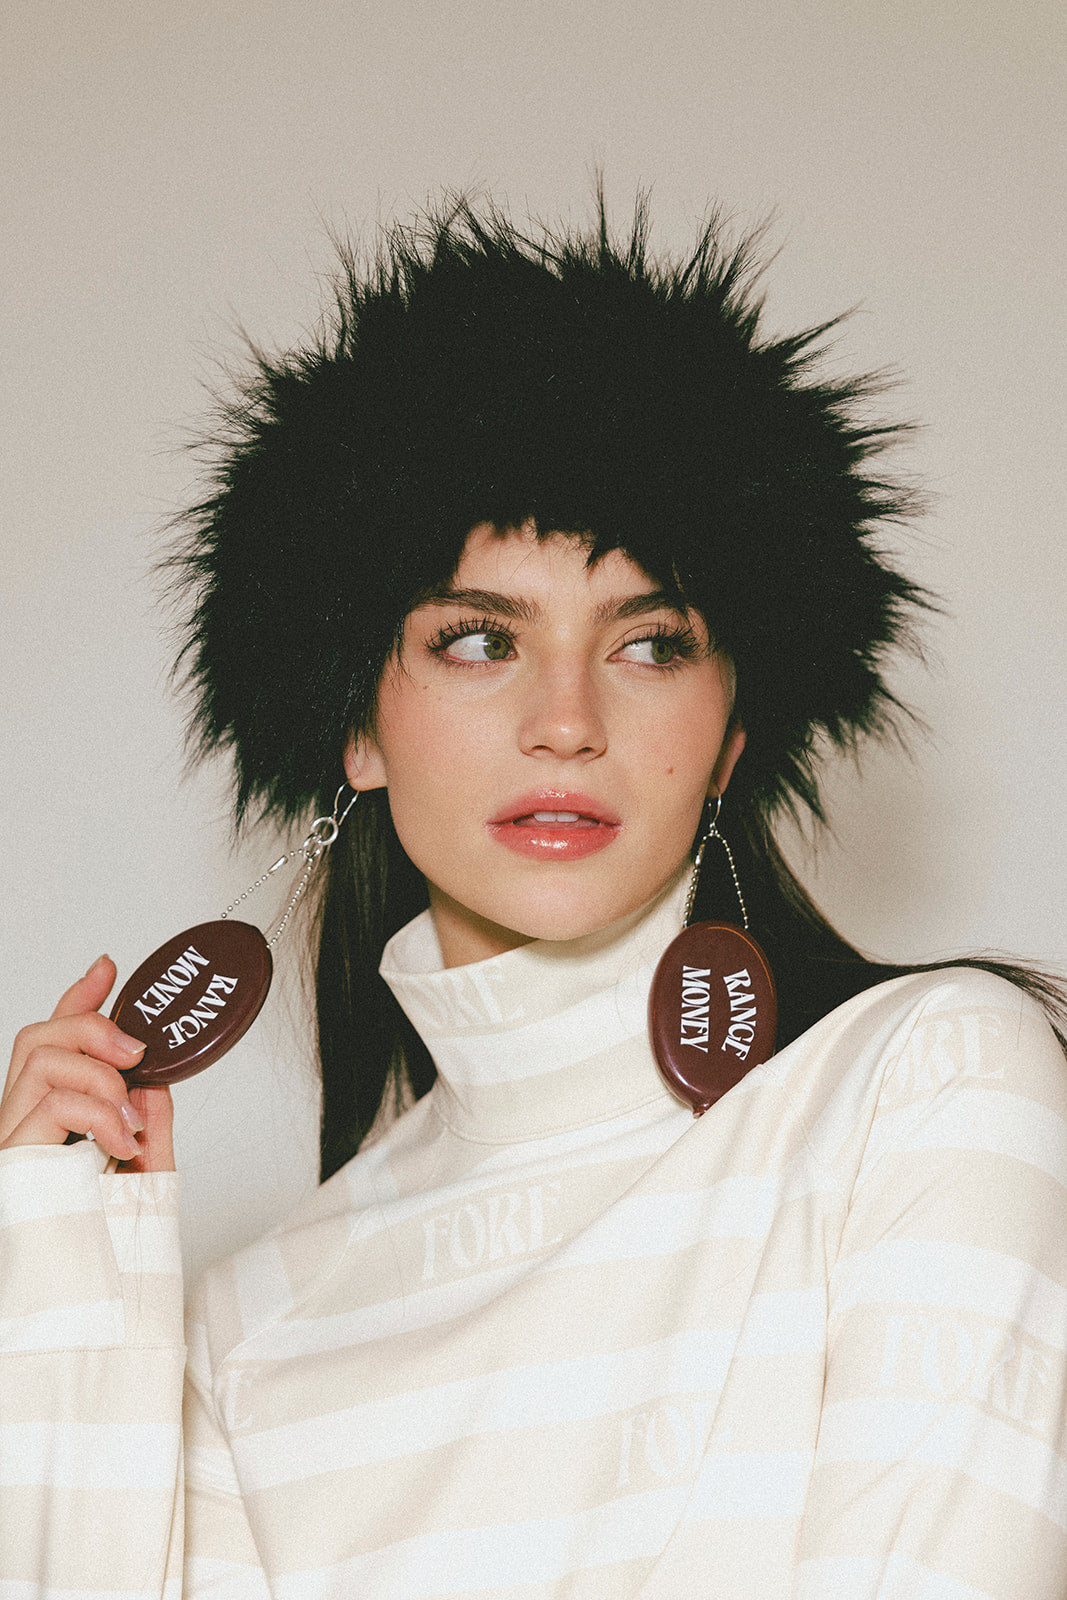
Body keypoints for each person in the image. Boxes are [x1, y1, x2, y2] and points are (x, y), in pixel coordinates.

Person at [2, 198, 1065, 1598]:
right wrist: (64, 1278)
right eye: (478, 638)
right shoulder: (250, 1321)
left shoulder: (924, 1084)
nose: (566, 720)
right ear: (357, 727)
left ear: (734, 732)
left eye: (650, 642)